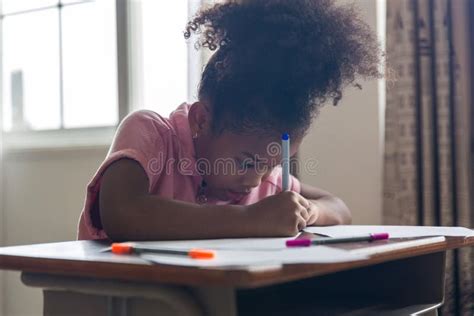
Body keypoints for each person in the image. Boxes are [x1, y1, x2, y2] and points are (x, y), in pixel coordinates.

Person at [77, 0, 383, 241]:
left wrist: (309, 211)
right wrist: (251, 220)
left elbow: (339, 208)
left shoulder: (264, 178)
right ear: (200, 120)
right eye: (248, 163)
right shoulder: (151, 134)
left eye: (274, 165)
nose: (258, 180)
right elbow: (122, 212)